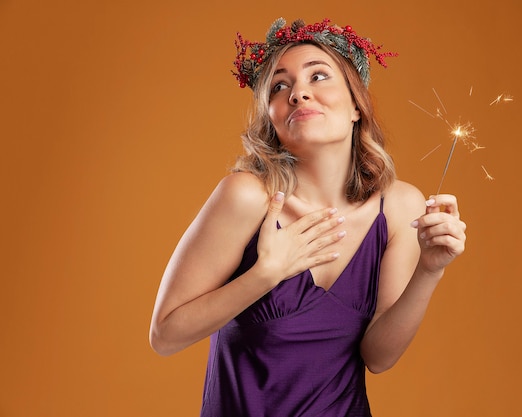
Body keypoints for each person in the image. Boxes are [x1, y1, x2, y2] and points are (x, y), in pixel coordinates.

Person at [149, 17, 467, 417]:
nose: (299, 93)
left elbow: (379, 357)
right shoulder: (246, 197)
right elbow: (164, 335)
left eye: (319, 76)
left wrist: (430, 270)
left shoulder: (400, 207)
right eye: (281, 86)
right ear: (273, 117)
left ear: (356, 105)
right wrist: (265, 275)